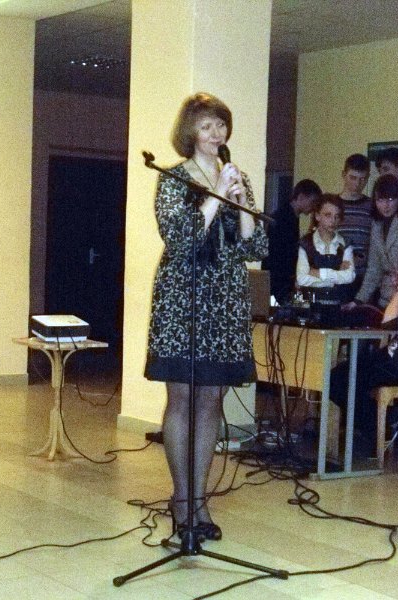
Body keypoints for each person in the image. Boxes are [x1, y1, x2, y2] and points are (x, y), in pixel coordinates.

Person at [144, 92, 268, 540]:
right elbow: (180, 237)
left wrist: (240, 202)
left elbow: (255, 246)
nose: (217, 133)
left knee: (212, 400)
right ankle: (181, 501)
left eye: (221, 125)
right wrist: (215, 196)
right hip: (183, 299)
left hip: (226, 300)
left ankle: (200, 502)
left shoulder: (238, 177)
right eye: (207, 126)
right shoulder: (173, 179)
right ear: (190, 133)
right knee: (182, 398)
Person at [331, 243, 398, 452]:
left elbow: (388, 323)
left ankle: (384, 425)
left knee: (338, 380)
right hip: (396, 359)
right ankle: (384, 424)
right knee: (343, 377)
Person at [348, 175, 398, 309]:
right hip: (384, 295)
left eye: (390, 199)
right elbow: (374, 267)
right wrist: (358, 300)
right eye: (380, 200)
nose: (385, 205)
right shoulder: (377, 223)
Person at [261, 179, 321, 304]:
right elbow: (283, 253)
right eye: (313, 201)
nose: (314, 206)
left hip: (279, 278)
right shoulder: (283, 218)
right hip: (278, 279)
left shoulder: (289, 215)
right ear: (301, 197)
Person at [296, 194, 356, 306]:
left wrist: (319, 273)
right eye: (328, 215)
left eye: (337, 216)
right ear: (317, 216)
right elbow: (302, 279)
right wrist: (335, 278)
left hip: (339, 306)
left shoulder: (345, 244)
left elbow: (349, 276)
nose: (333, 220)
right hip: (311, 306)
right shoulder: (306, 243)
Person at [336, 154, 371, 294]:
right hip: (335, 276)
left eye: (362, 179)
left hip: (363, 279)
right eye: (353, 177)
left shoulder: (373, 206)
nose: (357, 184)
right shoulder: (330, 205)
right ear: (343, 175)